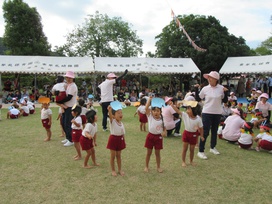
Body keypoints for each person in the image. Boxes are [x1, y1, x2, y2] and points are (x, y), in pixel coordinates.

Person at [195, 71, 228, 159]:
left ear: (216, 79)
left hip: (217, 113)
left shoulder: (221, 88)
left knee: (214, 131)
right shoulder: (205, 88)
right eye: (208, 77)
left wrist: (226, 92)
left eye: (211, 77)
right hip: (207, 112)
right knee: (205, 132)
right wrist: (196, 89)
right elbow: (198, 98)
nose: (209, 79)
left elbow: (225, 101)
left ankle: (213, 147)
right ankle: (201, 151)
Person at [144, 97, 167, 173]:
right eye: (154, 111)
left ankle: (158, 167)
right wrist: (149, 100)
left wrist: (164, 131)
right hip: (150, 136)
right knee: (149, 153)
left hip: (158, 137)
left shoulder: (162, 119)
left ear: (160, 111)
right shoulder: (150, 116)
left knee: (157, 153)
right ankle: (146, 166)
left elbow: (164, 127)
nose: (156, 112)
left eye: (157, 111)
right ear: (151, 111)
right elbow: (146, 108)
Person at [180, 101, 204, 167]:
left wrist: (201, 136)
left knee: (192, 150)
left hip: (194, 135)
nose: (187, 110)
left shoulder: (198, 119)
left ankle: (191, 161)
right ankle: (183, 161)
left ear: (193, 110)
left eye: (188, 109)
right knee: (184, 149)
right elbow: (178, 111)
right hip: (186, 133)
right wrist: (173, 106)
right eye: (187, 109)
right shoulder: (185, 116)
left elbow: (201, 128)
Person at [58, 71, 78, 147]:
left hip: (71, 106)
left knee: (68, 123)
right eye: (67, 77)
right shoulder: (68, 85)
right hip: (66, 106)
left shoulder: (73, 86)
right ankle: (68, 137)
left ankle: (71, 139)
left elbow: (69, 97)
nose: (68, 79)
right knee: (64, 123)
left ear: (72, 78)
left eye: (70, 77)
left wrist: (60, 101)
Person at [107, 101, 126, 176]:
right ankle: (113, 170)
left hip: (120, 140)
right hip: (113, 139)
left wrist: (124, 141)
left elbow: (123, 133)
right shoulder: (113, 121)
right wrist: (109, 110)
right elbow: (110, 117)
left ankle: (120, 169)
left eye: (121, 113)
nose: (120, 114)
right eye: (118, 113)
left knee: (119, 155)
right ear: (114, 115)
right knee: (113, 155)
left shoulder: (122, 124)